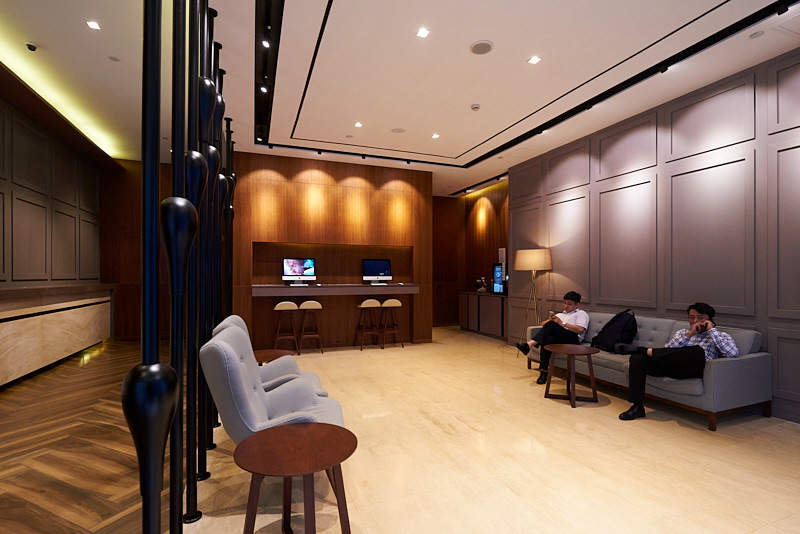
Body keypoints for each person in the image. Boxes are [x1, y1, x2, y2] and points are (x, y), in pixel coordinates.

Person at [618, 302, 739, 421]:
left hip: (692, 370)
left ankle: (644, 350)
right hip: (671, 367)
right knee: (637, 359)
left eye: (700, 318)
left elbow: (732, 353)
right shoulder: (682, 333)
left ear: (709, 319)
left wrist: (711, 330)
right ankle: (637, 407)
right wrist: (690, 334)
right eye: (692, 317)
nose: (695, 321)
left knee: (696, 351)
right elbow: (666, 352)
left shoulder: (721, 336)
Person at [516, 291, 590, 384]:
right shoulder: (560, 314)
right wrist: (549, 320)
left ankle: (530, 344)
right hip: (560, 340)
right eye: (564, 303)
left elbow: (580, 329)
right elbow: (542, 325)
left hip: (573, 339)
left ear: (577, 305)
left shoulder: (581, 314)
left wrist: (561, 323)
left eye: (569, 304)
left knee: (551, 327)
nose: (566, 306)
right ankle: (543, 373)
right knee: (547, 339)